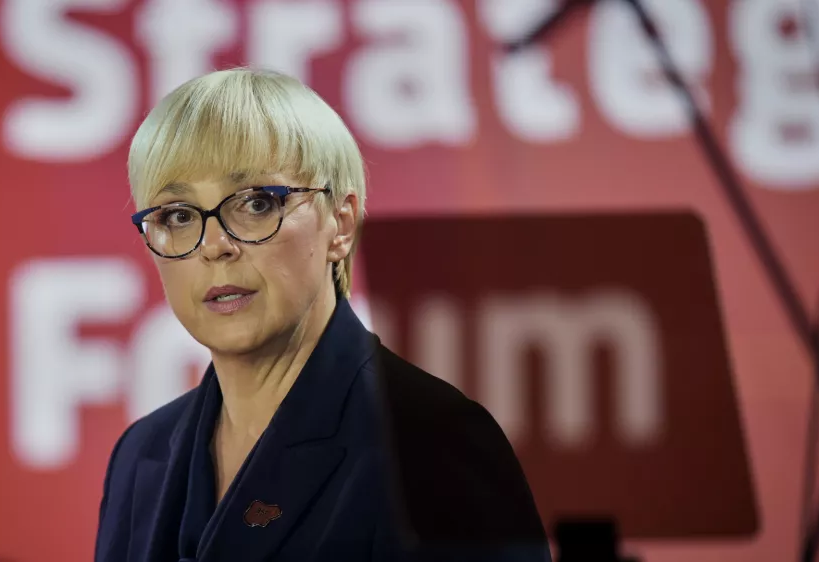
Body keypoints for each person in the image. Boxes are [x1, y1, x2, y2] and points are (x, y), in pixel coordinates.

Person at [94, 67, 550, 562]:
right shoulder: (140, 454)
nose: (215, 245)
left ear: (341, 224)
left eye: (256, 203)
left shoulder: (434, 443)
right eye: (178, 216)